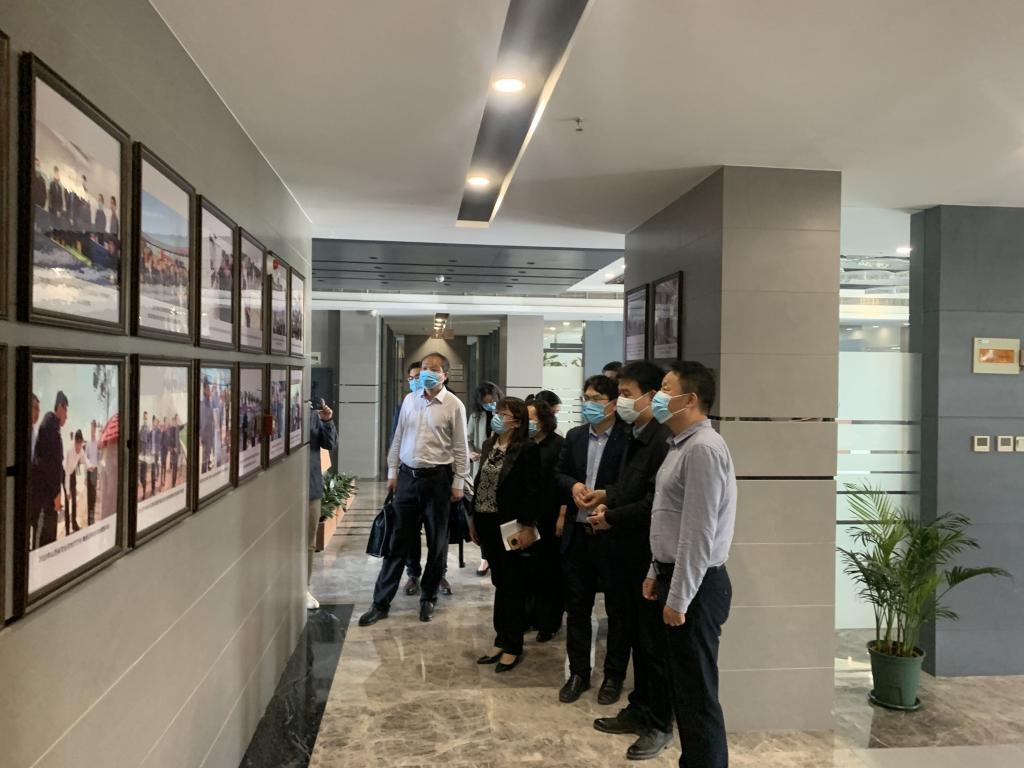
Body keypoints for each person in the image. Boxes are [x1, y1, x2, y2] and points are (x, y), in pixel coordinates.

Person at [643, 361, 736, 768]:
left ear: (691, 399)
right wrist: (655, 570)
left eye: (666, 388)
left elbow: (699, 533)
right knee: (685, 690)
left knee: (697, 696)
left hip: (697, 587)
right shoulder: (680, 445)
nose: (657, 397)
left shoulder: (703, 449)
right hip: (675, 577)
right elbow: (669, 518)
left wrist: (679, 597)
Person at [584, 361, 674, 761]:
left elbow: (656, 502)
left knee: (654, 646)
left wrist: (613, 516)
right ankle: (639, 708)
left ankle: (658, 723)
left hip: (647, 557)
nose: (620, 401)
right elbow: (629, 486)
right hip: (624, 554)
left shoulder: (663, 439)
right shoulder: (635, 433)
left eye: (625, 394)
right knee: (634, 635)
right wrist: (607, 498)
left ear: (650, 396)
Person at [359, 352, 469, 626]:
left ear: (444, 375)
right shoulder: (410, 399)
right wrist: (392, 471)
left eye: (433, 369)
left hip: (438, 480)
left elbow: (460, 447)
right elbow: (398, 437)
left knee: (437, 543)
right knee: (397, 542)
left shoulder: (454, 405)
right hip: (408, 478)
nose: (426, 373)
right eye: (424, 368)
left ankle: (428, 597)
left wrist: (458, 482)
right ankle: (380, 602)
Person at [553, 374, 629, 705]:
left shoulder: (628, 438)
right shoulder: (575, 436)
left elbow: (632, 484)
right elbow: (559, 473)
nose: (590, 404)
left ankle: (613, 676)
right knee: (577, 609)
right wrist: (572, 486)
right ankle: (578, 673)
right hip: (578, 536)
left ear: (613, 403)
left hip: (612, 537)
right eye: (586, 398)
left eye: (596, 399)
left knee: (617, 610)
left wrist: (607, 496)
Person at [469, 397, 541, 672]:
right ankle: (501, 638)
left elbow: (532, 490)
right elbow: (481, 484)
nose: (497, 417)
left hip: (510, 525)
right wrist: (473, 519)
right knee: (499, 581)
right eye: (497, 412)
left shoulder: (527, 449)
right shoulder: (490, 445)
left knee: (513, 584)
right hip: (486, 521)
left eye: (503, 413)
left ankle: (513, 645)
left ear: (517, 421)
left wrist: (527, 525)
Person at [524, 396, 566, 642]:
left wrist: (562, 514)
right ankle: (529, 616)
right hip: (526, 517)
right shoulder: (524, 444)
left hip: (550, 516)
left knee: (550, 571)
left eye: (531, 418)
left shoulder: (559, 445)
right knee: (529, 570)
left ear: (543, 420)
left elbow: (563, 482)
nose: (527, 423)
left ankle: (549, 622)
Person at [463, 381, 503, 578]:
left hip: (502, 469)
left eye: (492, 401)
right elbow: (467, 439)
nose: (490, 405)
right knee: (483, 515)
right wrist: (471, 453)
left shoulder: (505, 415)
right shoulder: (476, 416)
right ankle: (485, 557)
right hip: (481, 468)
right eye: (486, 403)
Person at [307, 399, 338, 610]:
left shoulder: (313, 415)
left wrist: (327, 421)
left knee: (308, 542)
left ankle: (303, 587)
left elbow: (330, 444)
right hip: (284, 488)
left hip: (310, 487)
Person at [33, 392, 68, 547]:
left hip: (49, 498)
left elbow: (57, 463)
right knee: (44, 544)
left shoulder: (54, 427)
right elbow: (48, 464)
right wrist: (56, 494)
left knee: (49, 542)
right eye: (66, 411)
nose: (67, 417)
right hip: (45, 498)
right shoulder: (49, 425)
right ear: (60, 407)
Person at [63, 430, 87, 535]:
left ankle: (74, 523)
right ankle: (67, 529)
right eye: (78, 444)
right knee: (67, 500)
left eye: (81, 444)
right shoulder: (69, 450)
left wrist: (90, 466)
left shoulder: (80, 449)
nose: (79, 447)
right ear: (75, 442)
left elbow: (85, 460)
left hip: (72, 473)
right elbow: (67, 474)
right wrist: (67, 491)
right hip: (65, 472)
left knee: (74, 501)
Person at [85, 420, 100, 526]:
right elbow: (85, 459)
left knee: (93, 496)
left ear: (95, 429)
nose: (92, 430)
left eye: (94, 428)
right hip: (89, 471)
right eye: (91, 428)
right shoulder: (88, 444)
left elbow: (99, 458)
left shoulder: (97, 444)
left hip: (95, 471)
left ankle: (92, 518)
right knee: (89, 497)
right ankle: (89, 520)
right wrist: (85, 477)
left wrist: (98, 472)